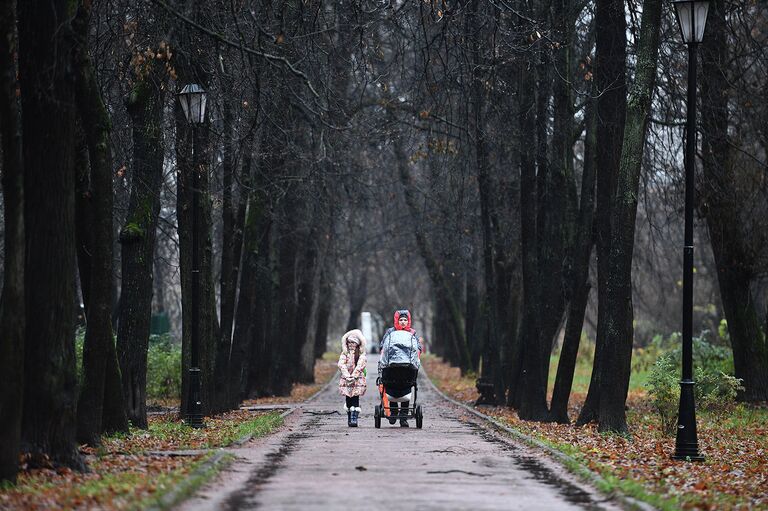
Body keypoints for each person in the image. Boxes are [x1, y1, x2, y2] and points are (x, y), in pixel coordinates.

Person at [378, 309, 422, 427]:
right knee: (391, 388)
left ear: (408, 321)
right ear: (397, 320)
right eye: (401, 319)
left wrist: (417, 354)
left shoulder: (412, 333)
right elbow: (383, 345)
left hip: (407, 366)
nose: (403, 322)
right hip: (391, 365)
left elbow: (418, 347)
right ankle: (393, 412)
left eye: (405, 320)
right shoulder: (390, 332)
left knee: (406, 388)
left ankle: (403, 416)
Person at [338, 329, 367, 427]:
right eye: (349, 342)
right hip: (346, 380)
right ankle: (350, 415)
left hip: (357, 379)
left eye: (353, 342)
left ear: (357, 344)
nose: (351, 344)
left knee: (355, 396)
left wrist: (354, 376)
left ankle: (354, 417)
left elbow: (360, 365)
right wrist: (347, 376)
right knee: (348, 397)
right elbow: (341, 364)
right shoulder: (345, 353)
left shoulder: (361, 354)